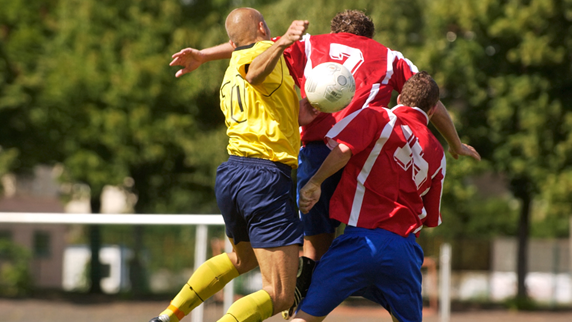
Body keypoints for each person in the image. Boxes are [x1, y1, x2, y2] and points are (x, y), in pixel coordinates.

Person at [168, 9, 480, 318]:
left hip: (317, 155)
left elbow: (250, 45)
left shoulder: (307, 44)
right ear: (368, 33)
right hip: (360, 159)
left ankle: (302, 309)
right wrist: (454, 144)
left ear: (335, 30)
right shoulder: (389, 58)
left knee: (314, 249)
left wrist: (205, 56)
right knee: (371, 228)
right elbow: (427, 98)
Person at [150, 8, 309, 322]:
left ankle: (169, 316)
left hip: (232, 173)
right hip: (264, 176)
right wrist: (283, 43)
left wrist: (204, 56)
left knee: (241, 257)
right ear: (264, 28)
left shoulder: (234, 62)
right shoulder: (268, 51)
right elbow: (256, 72)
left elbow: (241, 51)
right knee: (279, 294)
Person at [294, 71, 446, 322]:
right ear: (431, 111)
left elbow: (343, 150)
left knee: (306, 318)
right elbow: (430, 219)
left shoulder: (378, 115)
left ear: (399, 99)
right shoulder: (438, 153)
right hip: (403, 251)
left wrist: (314, 183)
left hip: (359, 242)